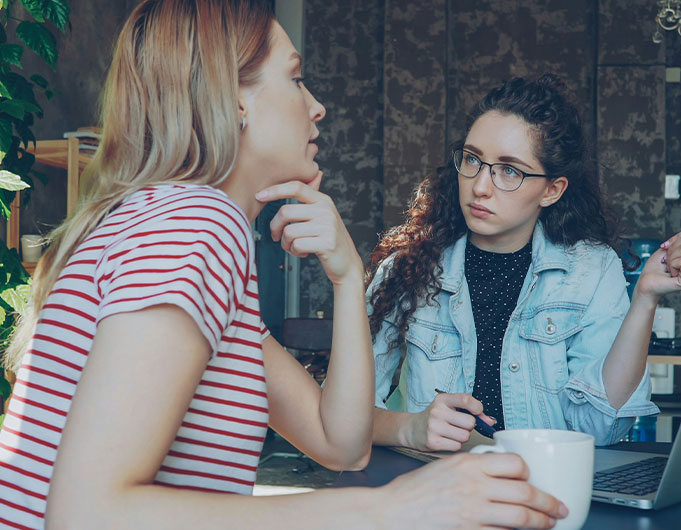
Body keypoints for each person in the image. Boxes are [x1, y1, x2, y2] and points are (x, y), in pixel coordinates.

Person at [0, 2, 569, 529]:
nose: (316, 105)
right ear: (235, 99)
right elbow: (84, 513)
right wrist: (391, 507)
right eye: (295, 78)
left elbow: (339, 440)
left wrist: (346, 277)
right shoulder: (195, 223)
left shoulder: (170, 223)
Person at [367, 74, 681, 452]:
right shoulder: (406, 271)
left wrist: (645, 298)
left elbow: (603, 426)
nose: (480, 185)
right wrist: (413, 427)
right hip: (436, 496)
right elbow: (342, 418)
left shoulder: (591, 271)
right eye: (473, 159)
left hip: (548, 494)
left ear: (552, 190)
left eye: (509, 170)